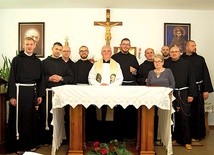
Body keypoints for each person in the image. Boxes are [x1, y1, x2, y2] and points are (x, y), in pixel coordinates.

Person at [7, 37, 45, 154]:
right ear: (23, 45)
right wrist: (12, 96)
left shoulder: (38, 61)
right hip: (19, 93)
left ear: (34, 46)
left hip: (32, 93)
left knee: (32, 119)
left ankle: (31, 144)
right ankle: (19, 146)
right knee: (19, 119)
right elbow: (12, 78)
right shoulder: (16, 60)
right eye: (27, 44)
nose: (29, 46)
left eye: (31, 44)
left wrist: (40, 95)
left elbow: (41, 80)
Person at [40, 42, 74, 146]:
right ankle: (46, 140)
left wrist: (61, 78)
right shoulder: (44, 63)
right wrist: (48, 78)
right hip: (48, 94)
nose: (58, 51)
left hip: (60, 94)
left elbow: (71, 78)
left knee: (60, 117)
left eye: (60, 50)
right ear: (52, 49)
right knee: (47, 116)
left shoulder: (64, 64)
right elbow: (39, 78)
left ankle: (60, 138)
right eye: (56, 49)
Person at [88, 45, 123, 142]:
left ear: (111, 53)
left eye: (108, 51)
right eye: (104, 51)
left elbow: (120, 78)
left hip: (111, 92)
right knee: (99, 113)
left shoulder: (116, 65)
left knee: (110, 114)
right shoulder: (95, 65)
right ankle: (99, 137)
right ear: (101, 53)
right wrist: (99, 85)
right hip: (99, 92)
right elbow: (90, 78)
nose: (106, 52)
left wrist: (109, 86)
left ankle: (110, 137)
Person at [181, 40, 213, 141]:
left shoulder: (200, 59)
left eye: (195, 45)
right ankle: (186, 135)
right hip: (186, 90)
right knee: (186, 112)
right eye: (192, 45)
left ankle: (198, 135)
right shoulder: (181, 59)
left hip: (199, 89)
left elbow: (205, 74)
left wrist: (206, 90)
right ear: (186, 47)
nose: (194, 47)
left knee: (198, 112)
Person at [168, 46, 196, 150]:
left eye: (176, 51)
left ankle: (186, 141)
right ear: (170, 53)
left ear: (180, 53)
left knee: (184, 117)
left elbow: (192, 78)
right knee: (172, 117)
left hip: (184, 93)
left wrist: (191, 94)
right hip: (171, 93)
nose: (174, 53)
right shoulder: (167, 65)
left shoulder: (187, 64)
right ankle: (174, 138)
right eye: (172, 52)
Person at [112, 38, 139, 141]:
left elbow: (137, 72)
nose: (125, 46)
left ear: (130, 46)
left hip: (131, 86)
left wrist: (135, 71)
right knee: (119, 111)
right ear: (120, 45)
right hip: (119, 86)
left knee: (130, 110)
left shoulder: (133, 57)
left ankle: (130, 135)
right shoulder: (114, 57)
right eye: (124, 44)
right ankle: (118, 136)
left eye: (127, 44)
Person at [146, 54, 175, 142]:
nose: (157, 63)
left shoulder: (168, 71)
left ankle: (164, 138)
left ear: (163, 62)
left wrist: (167, 93)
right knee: (153, 117)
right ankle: (153, 138)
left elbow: (173, 84)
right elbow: (148, 86)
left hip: (165, 99)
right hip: (153, 99)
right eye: (155, 61)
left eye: (159, 61)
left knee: (164, 119)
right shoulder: (150, 72)